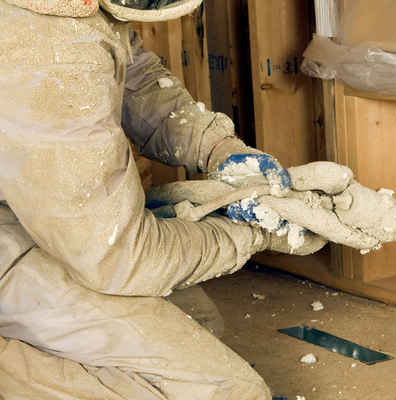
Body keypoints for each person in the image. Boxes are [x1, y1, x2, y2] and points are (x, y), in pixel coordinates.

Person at [0, 0, 328, 398]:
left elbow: (131, 74)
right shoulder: (45, 49)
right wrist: (252, 235)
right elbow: (119, 259)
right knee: (224, 391)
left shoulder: (74, 10)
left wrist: (217, 148)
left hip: (23, 210)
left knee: (197, 320)